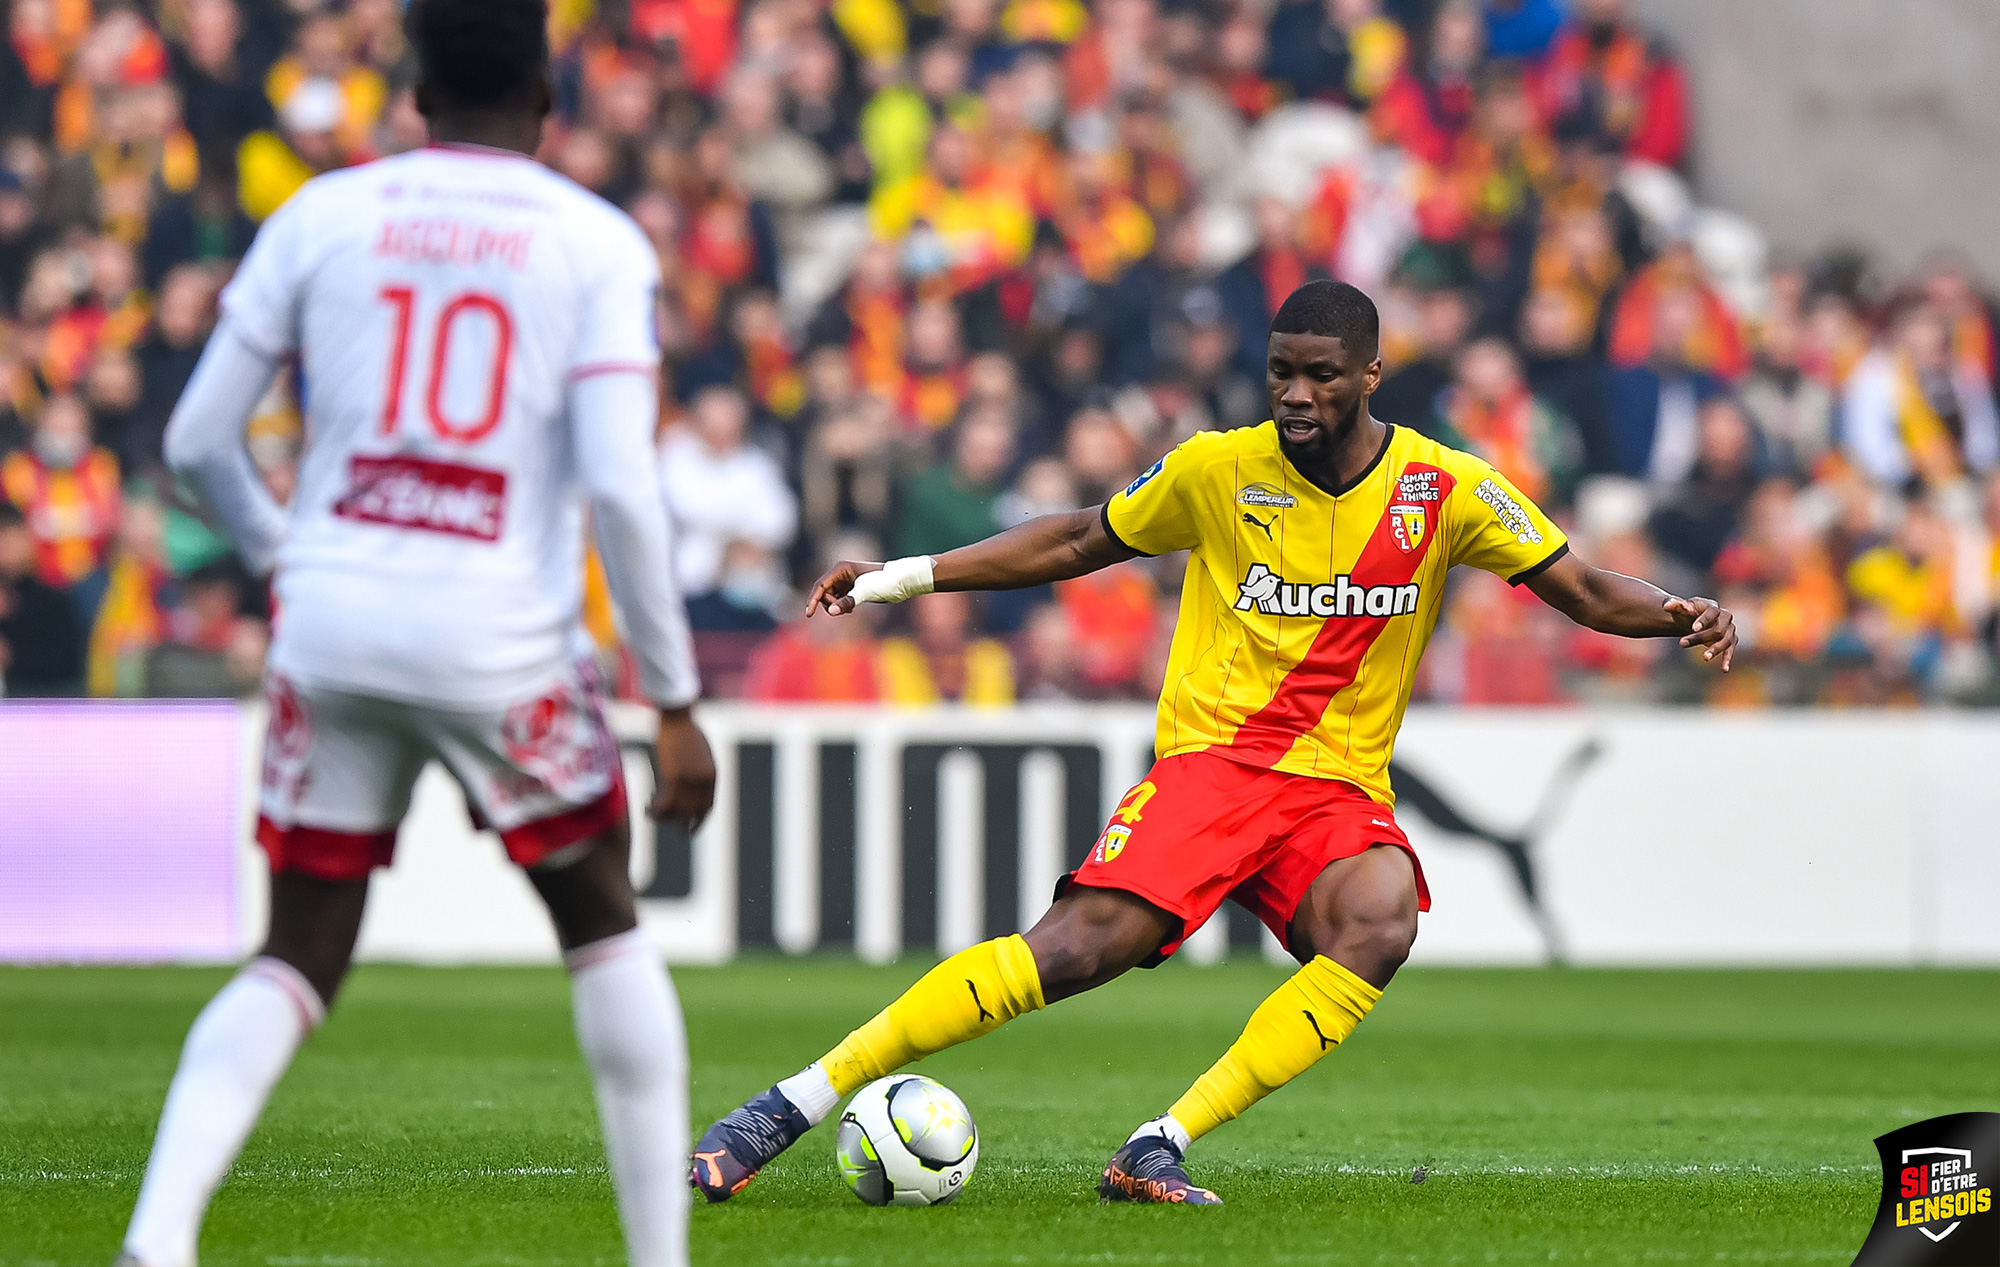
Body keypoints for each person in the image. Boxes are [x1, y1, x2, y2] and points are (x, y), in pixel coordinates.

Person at [690, 280, 1737, 1205]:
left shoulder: (1441, 488)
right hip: (1212, 767)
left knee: (1378, 920)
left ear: (1368, 374)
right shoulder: (1216, 470)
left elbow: (1586, 588)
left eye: (1319, 376)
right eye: (1279, 371)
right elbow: (1072, 537)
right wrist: (900, 575)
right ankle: (786, 1104)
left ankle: (1157, 1142)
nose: (1292, 394)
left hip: (1331, 791)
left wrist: (1677, 610)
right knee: (1071, 952)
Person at [115, 4, 714, 1267]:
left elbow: (192, 443)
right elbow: (618, 484)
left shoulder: (323, 216)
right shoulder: (592, 243)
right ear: (548, 98)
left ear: (413, 92)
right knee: (602, 920)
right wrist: (671, 696)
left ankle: (157, 1239)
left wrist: (292, 556)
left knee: (296, 953)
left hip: (328, 626)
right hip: (498, 640)